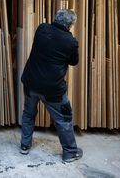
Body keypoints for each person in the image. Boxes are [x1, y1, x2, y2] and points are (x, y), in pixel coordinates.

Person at [19, 9, 83, 163]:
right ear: (69, 25)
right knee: (64, 119)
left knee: (28, 114)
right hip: (52, 90)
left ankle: (24, 146)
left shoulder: (42, 29)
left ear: (56, 18)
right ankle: (70, 153)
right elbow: (74, 62)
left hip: (30, 82)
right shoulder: (71, 42)